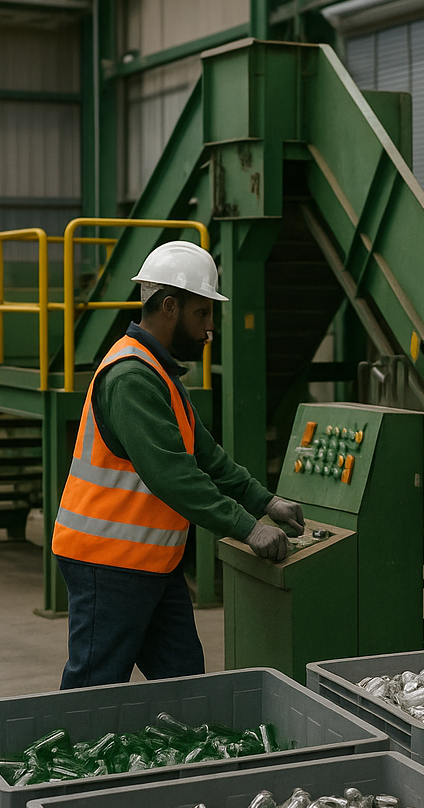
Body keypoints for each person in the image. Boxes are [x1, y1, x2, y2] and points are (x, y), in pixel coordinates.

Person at [52, 240, 304, 689]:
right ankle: (68, 740)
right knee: (93, 688)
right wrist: (248, 528)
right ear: (169, 306)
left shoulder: (158, 371)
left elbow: (207, 456)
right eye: (202, 313)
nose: (210, 328)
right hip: (107, 565)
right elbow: (173, 475)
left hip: (152, 564)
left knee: (184, 682)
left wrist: (266, 502)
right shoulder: (131, 377)